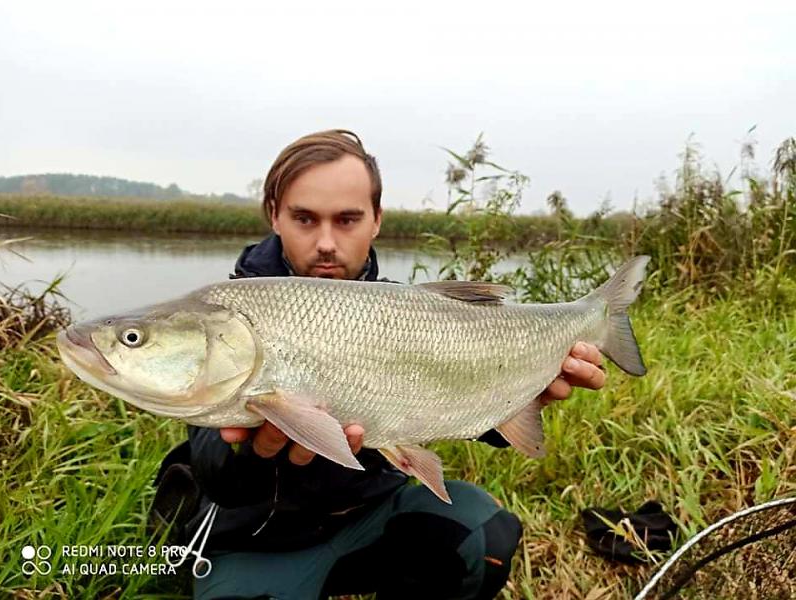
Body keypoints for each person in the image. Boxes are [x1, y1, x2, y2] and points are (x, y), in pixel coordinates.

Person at [152, 129, 606, 600]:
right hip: (257, 541)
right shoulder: (228, 316)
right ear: (274, 216)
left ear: (376, 220)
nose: (326, 242)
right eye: (305, 218)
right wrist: (253, 454)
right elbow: (216, 475)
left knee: (480, 535)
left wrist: (527, 392)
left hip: (368, 520)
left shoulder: (402, 313)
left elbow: (447, 401)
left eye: (347, 220)